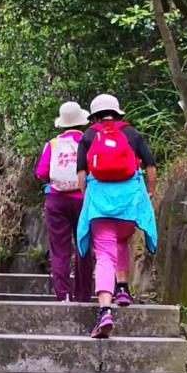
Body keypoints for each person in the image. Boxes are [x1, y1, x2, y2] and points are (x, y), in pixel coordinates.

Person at [75, 93, 157, 338]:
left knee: (104, 255)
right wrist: (150, 193)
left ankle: (104, 311)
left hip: (100, 205)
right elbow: (150, 165)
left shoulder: (89, 136)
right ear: (117, 112)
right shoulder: (131, 133)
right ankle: (122, 288)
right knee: (122, 242)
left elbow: (81, 174)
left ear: (94, 116)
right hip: (129, 203)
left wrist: (89, 195)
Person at [34, 101, 95, 303]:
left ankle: (63, 295)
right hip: (83, 199)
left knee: (60, 249)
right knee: (83, 246)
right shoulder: (88, 141)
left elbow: (41, 172)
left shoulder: (52, 144)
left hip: (56, 200)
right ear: (81, 122)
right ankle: (83, 295)